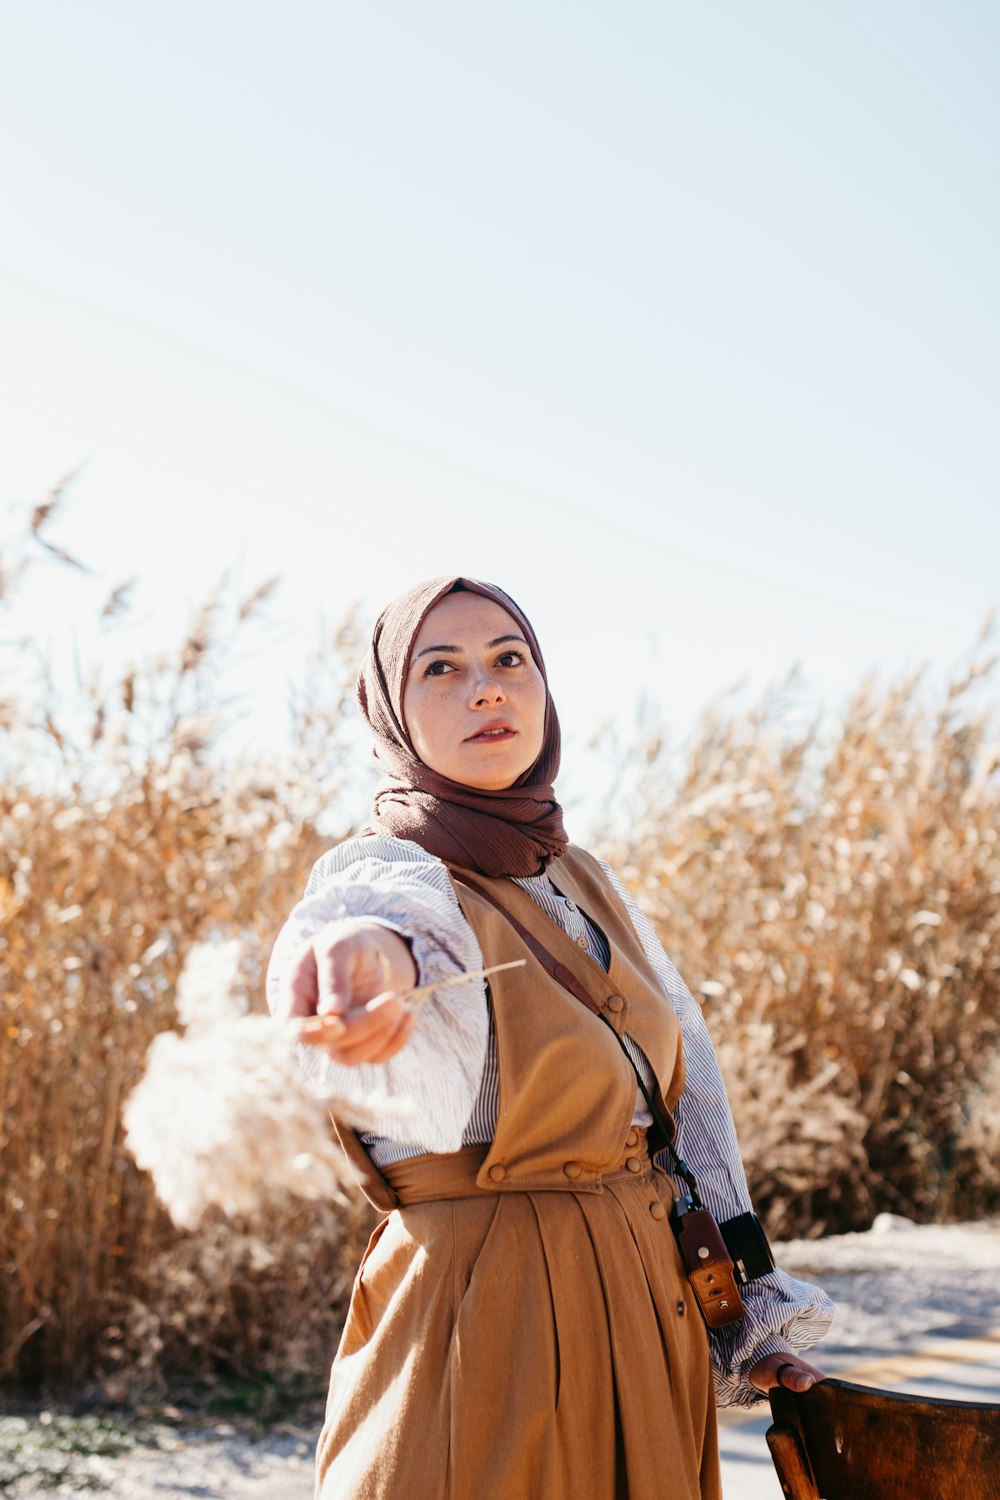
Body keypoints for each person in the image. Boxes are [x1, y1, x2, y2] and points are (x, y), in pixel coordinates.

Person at [267, 576, 833, 1500]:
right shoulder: (386, 866)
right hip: (484, 1320)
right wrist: (368, 958)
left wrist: (749, 1320)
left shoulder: (586, 880)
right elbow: (373, 923)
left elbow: (693, 1105)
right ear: (391, 715)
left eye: (509, 659)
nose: (485, 688)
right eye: (440, 667)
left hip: (646, 1314)